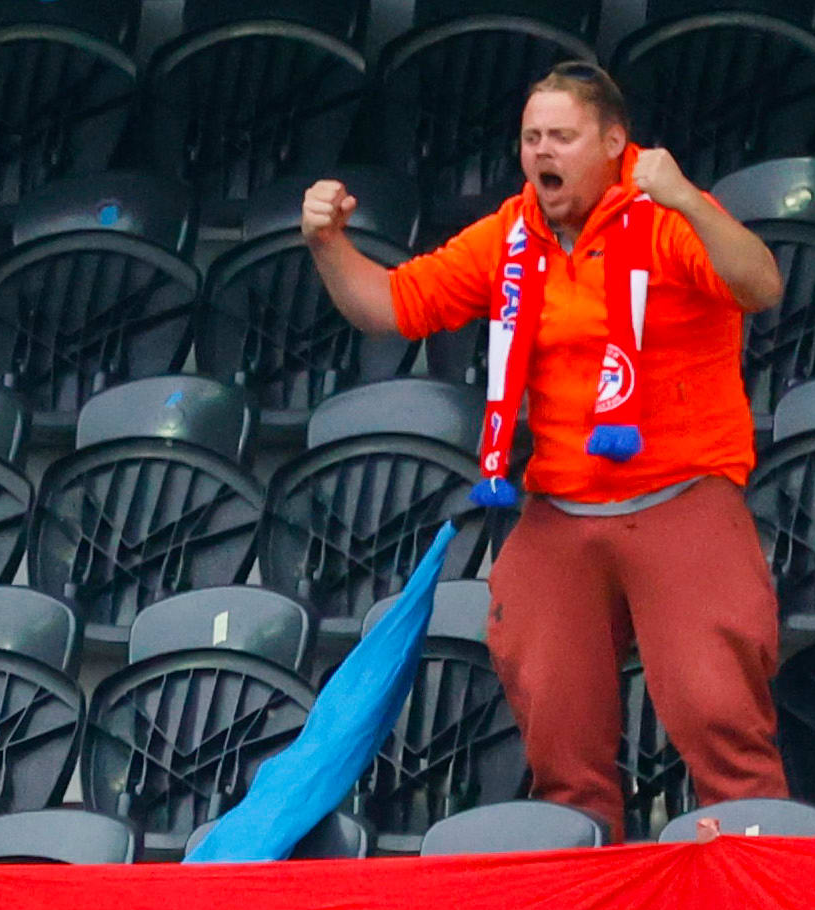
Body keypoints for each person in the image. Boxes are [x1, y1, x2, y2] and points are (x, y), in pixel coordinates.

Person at [300, 64, 789, 837]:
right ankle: (584, 869)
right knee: (557, 730)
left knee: (716, 713)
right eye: (531, 137)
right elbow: (391, 306)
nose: (541, 152)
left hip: (681, 494)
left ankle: (756, 871)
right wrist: (326, 244)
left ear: (614, 144)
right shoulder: (511, 233)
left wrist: (691, 201)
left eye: (561, 136)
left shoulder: (666, 215)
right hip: (559, 508)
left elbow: (760, 285)